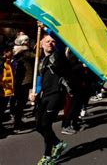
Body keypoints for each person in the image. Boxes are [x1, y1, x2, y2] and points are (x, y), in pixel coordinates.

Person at [30, 35, 69, 165]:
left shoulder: (58, 56)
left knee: (46, 124)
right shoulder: (41, 61)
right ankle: (57, 144)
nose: (51, 43)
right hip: (43, 96)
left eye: (53, 41)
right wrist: (33, 93)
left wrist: (45, 27)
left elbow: (60, 45)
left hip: (56, 94)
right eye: (47, 41)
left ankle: (48, 155)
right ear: (41, 44)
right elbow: (39, 81)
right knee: (39, 126)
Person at [11, 34, 35, 133]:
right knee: (20, 103)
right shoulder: (24, 52)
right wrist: (38, 47)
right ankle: (17, 124)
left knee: (19, 102)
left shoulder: (18, 51)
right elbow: (36, 55)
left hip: (20, 80)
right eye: (27, 41)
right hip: (23, 81)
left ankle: (18, 121)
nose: (28, 42)